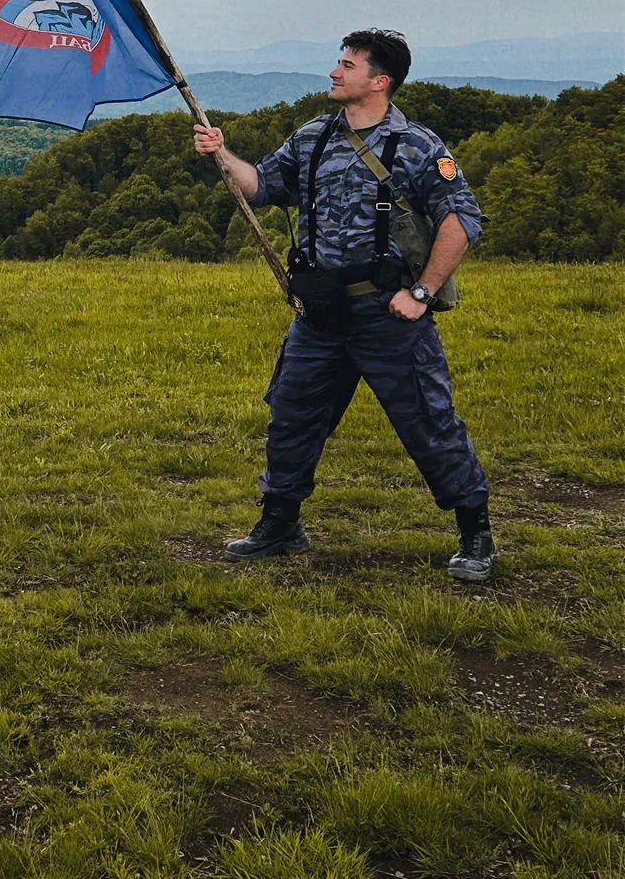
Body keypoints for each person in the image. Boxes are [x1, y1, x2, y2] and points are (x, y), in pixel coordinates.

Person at [193, 29, 495, 582]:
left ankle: (475, 533)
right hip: (322, 316)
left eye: (348, 64)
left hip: (388, 315)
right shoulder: (312, 137)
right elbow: (261, 185)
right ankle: (280, 523)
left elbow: (461, 220)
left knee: (428, 423)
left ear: (379, 80)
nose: (335, 72)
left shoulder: (416, 145)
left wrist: (422, 293)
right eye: (339, 61)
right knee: (292, 416)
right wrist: (222, 152)